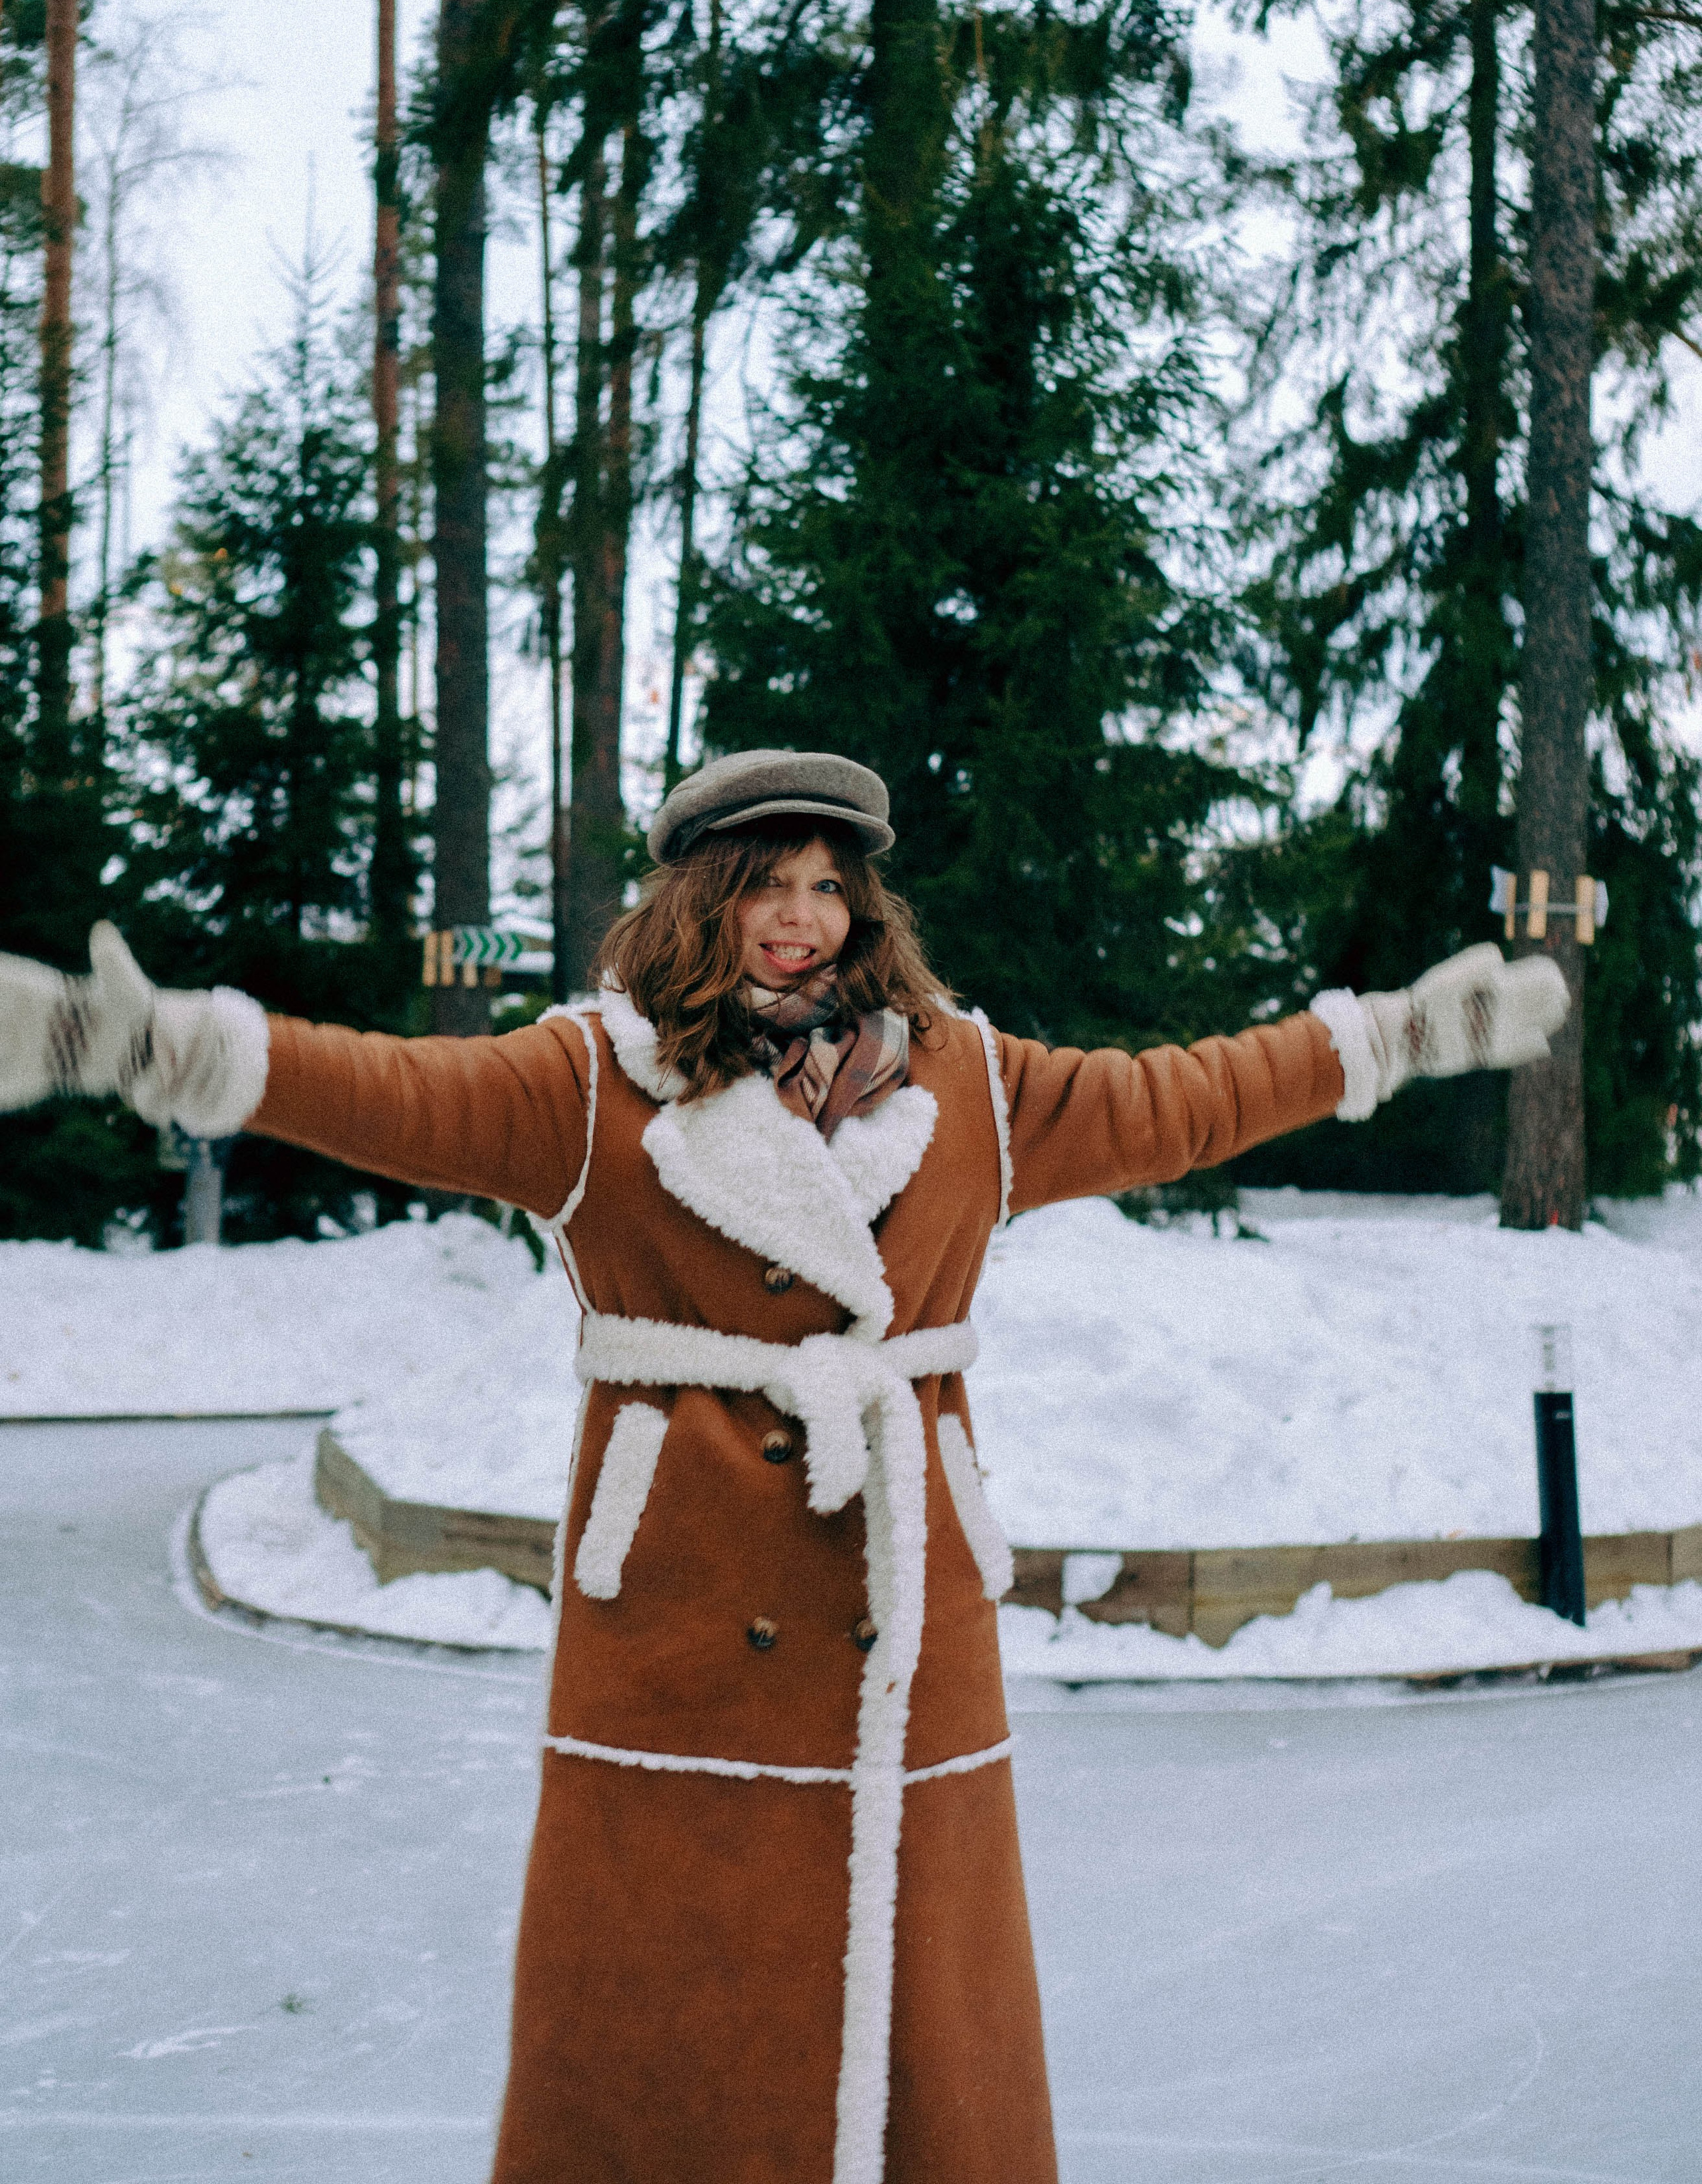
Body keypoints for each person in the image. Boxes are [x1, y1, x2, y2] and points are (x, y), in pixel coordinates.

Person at [0, 747, 1568, 2184]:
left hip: (908, 1615)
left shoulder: (970, 1081)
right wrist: (157, 1048)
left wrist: (1392, 1038)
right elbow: (394, 1095)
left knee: (922, 2021)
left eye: (829, 885)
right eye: (766, 883)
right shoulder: (590, 1084)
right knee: (668, 2016)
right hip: (677, 1628)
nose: (802, 919)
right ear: (699, 900)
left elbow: (1183, 1097)